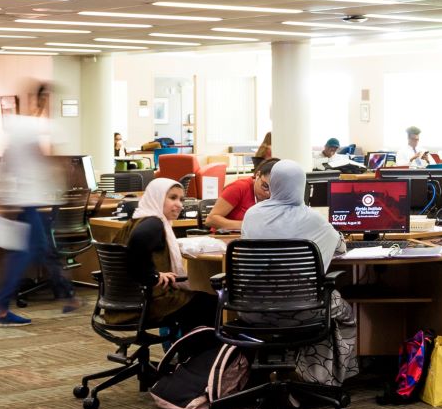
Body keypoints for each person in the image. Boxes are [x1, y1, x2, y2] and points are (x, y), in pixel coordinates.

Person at [241, 159, 355, 385]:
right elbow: (339, 247)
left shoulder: (252, 214)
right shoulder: (312, 218)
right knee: (342, 311)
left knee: (311, 303)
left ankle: (278, 372)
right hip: (304, 311)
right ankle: (318, 377)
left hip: (253, 309)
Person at [0, 81, 76, 327]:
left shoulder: (19, 126)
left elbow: (7, 158)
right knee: (24, 252)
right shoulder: (36, 127)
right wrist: (58, 176)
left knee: (40, 247)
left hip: (23, 199)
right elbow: (53, 158)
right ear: (43, 99)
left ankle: (68, 296)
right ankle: (0, 310)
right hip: (28, 200)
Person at [121, 177, 218, 337]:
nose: (179, 204)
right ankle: (194, 357)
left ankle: (187, 353)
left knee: (199, 300)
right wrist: (153, 275)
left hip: (128, 300)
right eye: (172, 198)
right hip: (152, 301)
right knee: (211, 304)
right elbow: (137, 246)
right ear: (157, 197)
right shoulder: (153, 223)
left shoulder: (137, 219)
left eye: (181, 199)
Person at [204, 157, 274, 233]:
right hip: (226, 238)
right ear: (258, 175)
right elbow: (211, 220)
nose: (268, 193)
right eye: (265, 186)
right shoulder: (239, 187)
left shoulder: (278, 195)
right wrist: (249, 226)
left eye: (273, 189)